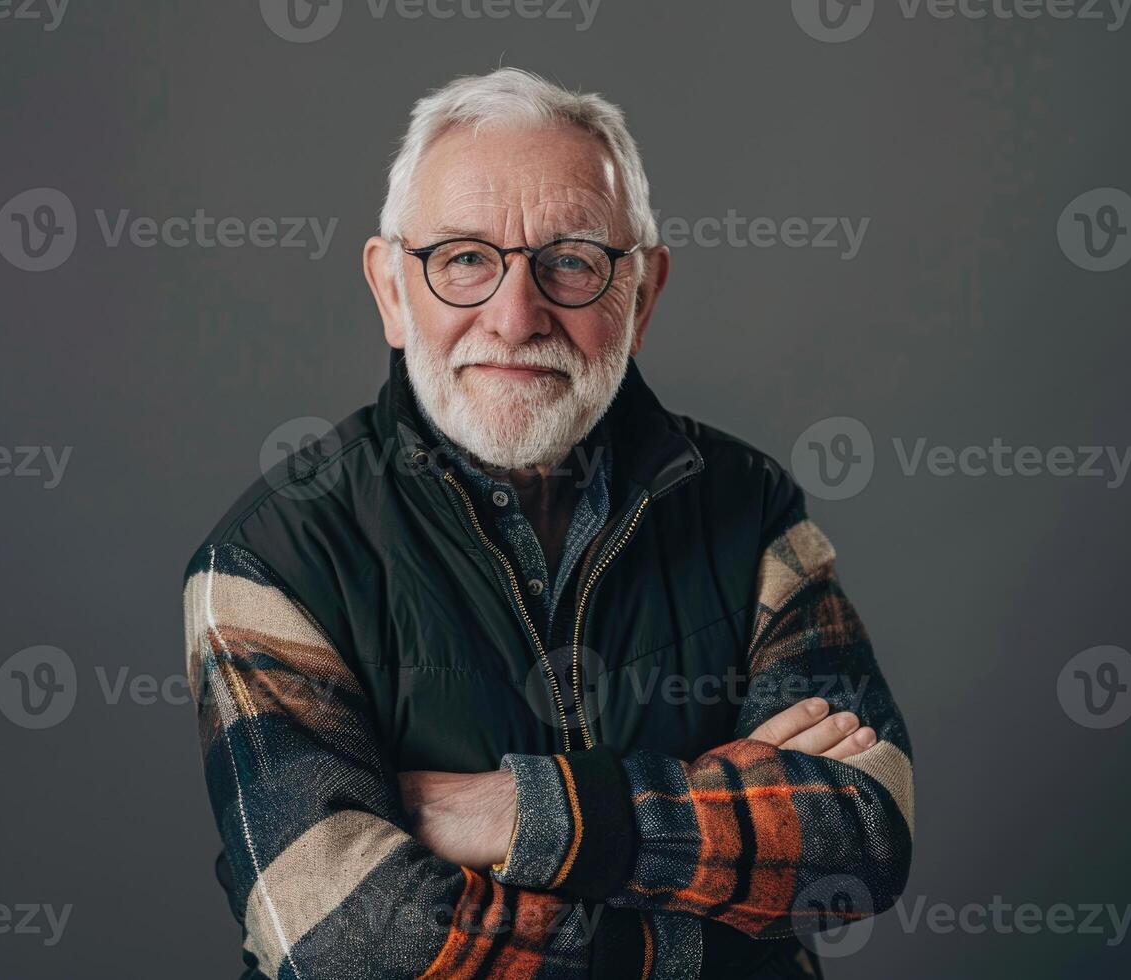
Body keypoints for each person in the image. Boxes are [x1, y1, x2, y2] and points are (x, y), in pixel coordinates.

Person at [182, 67, 913, 979]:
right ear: (391, 292)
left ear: (640, 296)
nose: (516, 314)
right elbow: (345, 939)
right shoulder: (270, 560)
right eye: (462, 258)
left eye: (570, 260)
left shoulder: (747, 503)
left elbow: (861, 834)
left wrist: (514, 815)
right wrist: (712, 928)